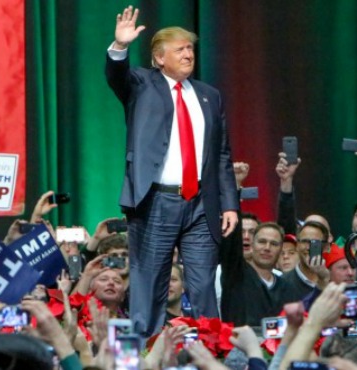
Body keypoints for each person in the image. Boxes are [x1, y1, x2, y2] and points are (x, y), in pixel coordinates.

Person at [105, 6, 239, 336]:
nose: (188, 54)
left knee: (204, 285)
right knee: (149, 285)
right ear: (159, 58)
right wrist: (119, 47)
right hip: (155, 202)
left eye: (190, 48)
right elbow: (116, 75)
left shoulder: (210, 96)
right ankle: (147, 354)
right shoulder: (141, 84)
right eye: (179, 49)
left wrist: (231, 204)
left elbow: (221, 155)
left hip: (200, 204)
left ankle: (210, 351)